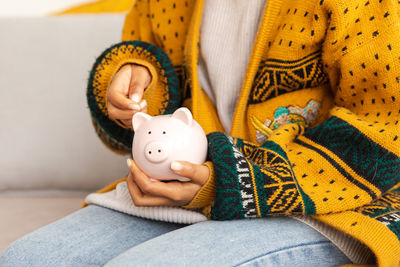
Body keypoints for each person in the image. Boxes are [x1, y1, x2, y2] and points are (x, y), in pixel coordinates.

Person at [1, 0, 400, 266]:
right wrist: (137, 86)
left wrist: (228, 182)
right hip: (186, 195)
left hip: (337, 207)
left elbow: (387, 127)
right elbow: (154, 70)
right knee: (24, 260)